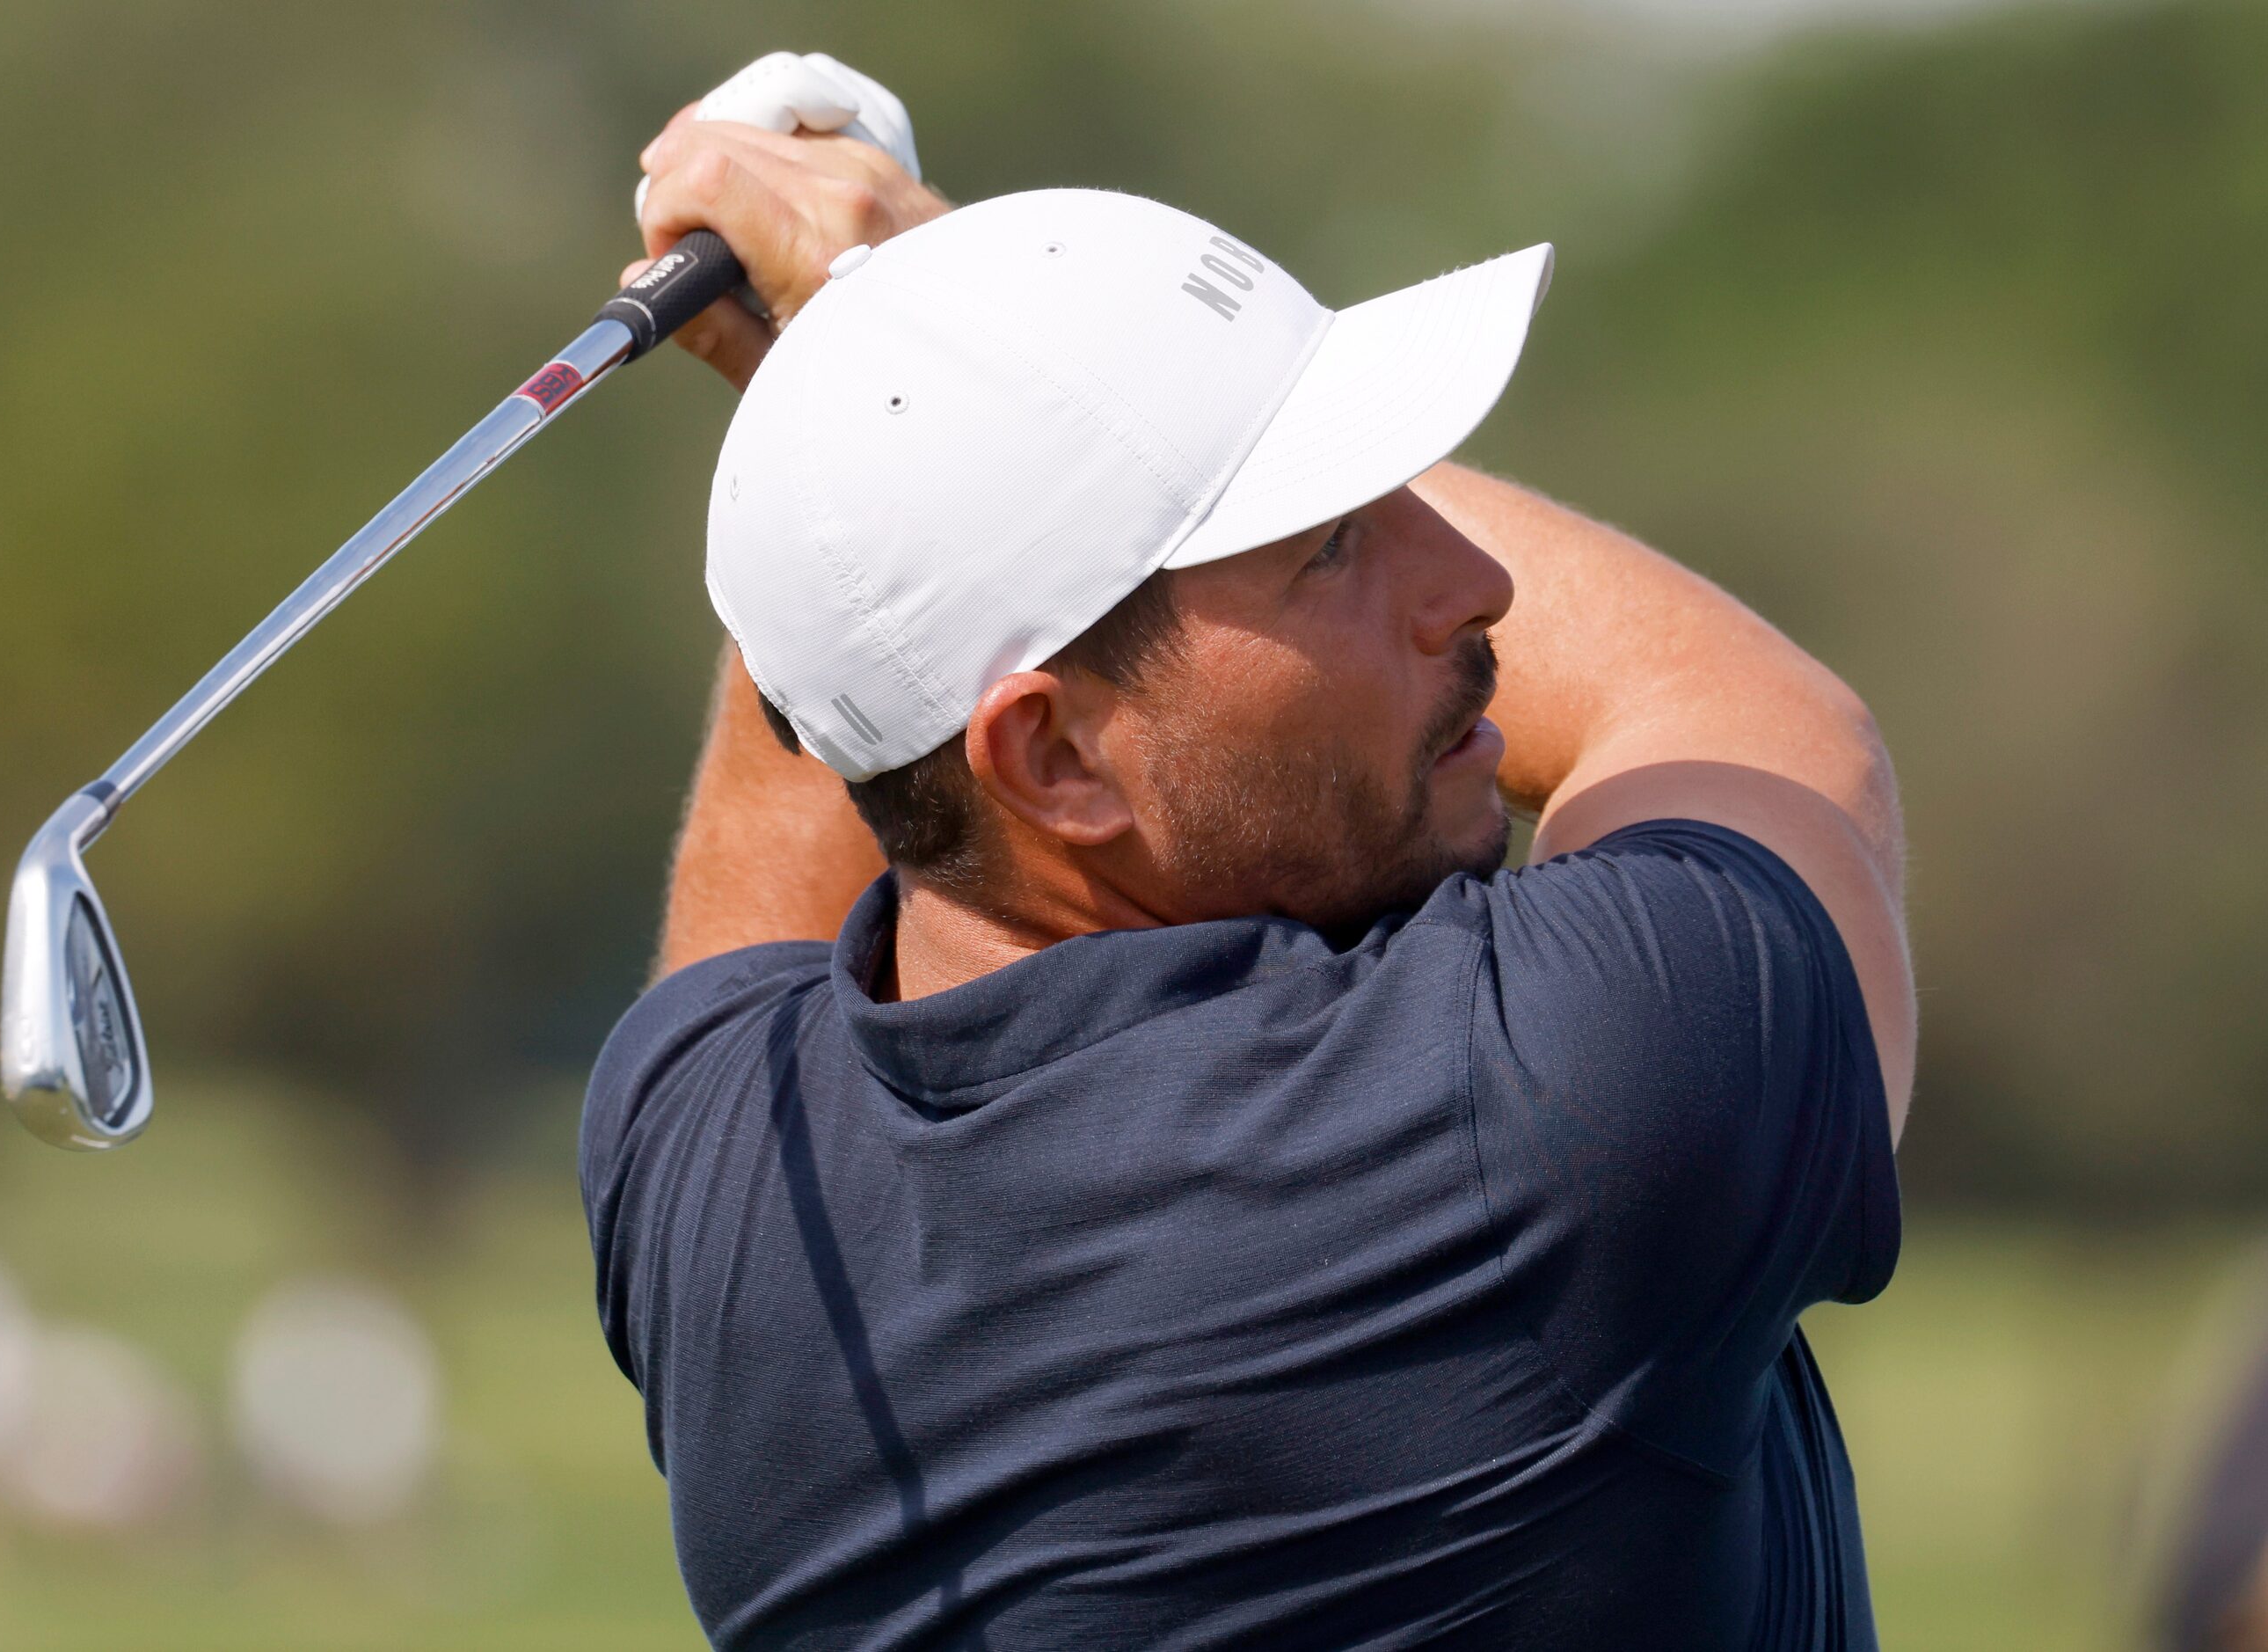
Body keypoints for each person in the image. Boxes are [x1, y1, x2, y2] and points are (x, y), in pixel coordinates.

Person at [581, 54, 1915, 1652]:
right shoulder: (1559, 1100)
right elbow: (1754, 720)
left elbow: (859, 705)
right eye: (1331, 542)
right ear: (1054, 754)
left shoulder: (710, 1179)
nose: (1474, 577)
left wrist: (862, 373)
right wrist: (895, 286)